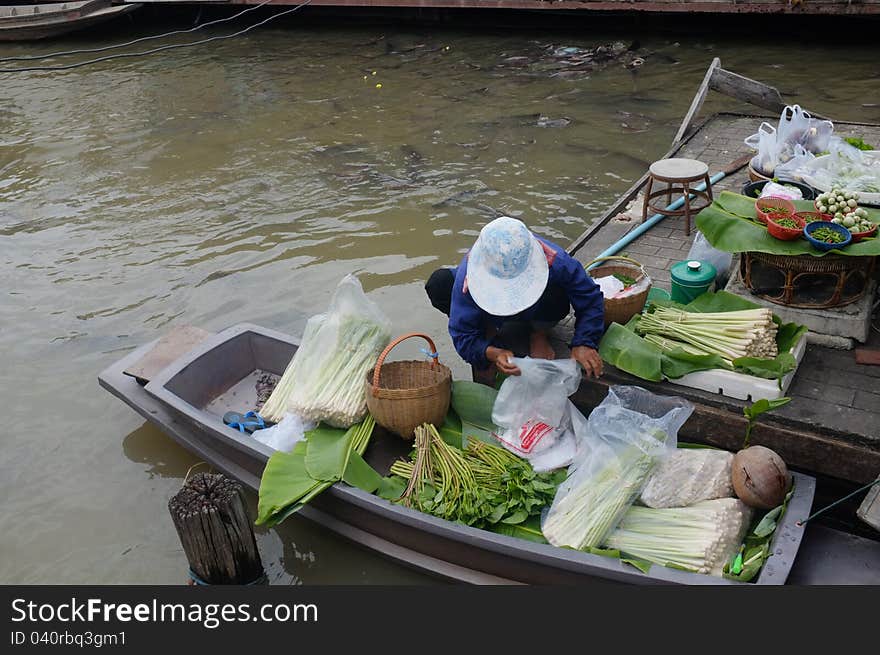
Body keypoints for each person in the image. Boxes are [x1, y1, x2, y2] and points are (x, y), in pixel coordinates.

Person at [425, 215, 605, 384]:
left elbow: (590, 297)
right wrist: (493, 353)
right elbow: (461, 334)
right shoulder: (468, 279)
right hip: (487, 313)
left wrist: (584, 341)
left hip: (538, 308)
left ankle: (539, 333)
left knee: (556, 294)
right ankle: (487, 331)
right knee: (439, 284)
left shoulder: (555, 260)